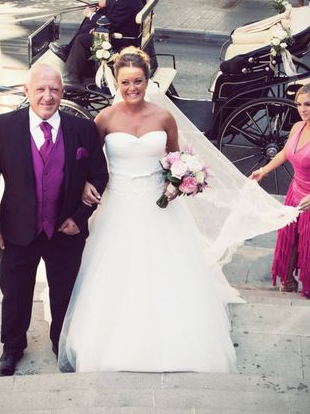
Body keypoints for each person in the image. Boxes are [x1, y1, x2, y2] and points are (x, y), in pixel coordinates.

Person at [57, 47, 243, 373]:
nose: (132, 88)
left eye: (138, 81)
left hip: (159, 207)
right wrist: (86, 183)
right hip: (118, 206)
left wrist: (179, 181)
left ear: (147, 80)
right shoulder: (105, 118)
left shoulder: (163, 117)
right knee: (117, 273)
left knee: (167, 271)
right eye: (125, 82)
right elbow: (87, 160)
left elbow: (176, 158)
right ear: (116, 82)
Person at [0, 63, 109, 376]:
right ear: (27, 91)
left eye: (54, 90)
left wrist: (80, 216)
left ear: (62, 93)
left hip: (66, 230)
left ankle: (60, 343)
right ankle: (12, 349)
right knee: (15, 292)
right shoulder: (5, 126)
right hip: (17, 230)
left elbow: (99, 174)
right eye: (40, 89)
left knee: (65, 292)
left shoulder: (82, 129)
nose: (47, 97)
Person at [250, 83, 310, 300]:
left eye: (308, 104)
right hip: (296, 189)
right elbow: (284, 153)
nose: (302, 109)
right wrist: (263, 170)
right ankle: (288, 281)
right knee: (289, 237)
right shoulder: (298, 126)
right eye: (299, 104)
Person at [50, 0, 143, 85]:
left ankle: (73, 76)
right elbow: (114, 2)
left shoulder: (127, 1)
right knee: (88, 22)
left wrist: (92, 16)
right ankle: (68, 52)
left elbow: (111, 23)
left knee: (82, 39)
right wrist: (99, 8)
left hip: (117, 41)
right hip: (117, 32)